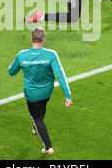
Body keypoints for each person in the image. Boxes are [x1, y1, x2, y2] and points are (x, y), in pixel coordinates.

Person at [8, 27, 72, 156]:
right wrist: (67, 95)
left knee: (37, 117)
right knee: (41, 106)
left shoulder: (22, 55)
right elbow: (60, 75)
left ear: (32, 39)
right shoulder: (51, 54)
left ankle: (48, 147)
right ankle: (35, 127)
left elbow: (11, 72)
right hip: (47, 91)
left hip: (31, 94)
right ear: (43, 40)